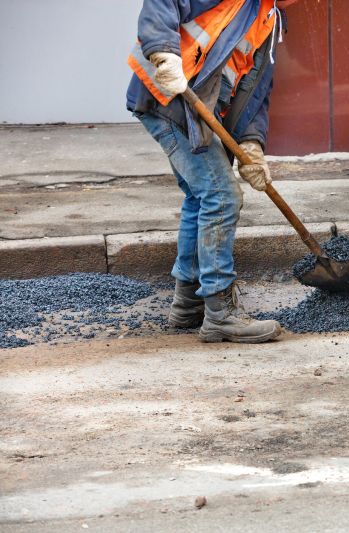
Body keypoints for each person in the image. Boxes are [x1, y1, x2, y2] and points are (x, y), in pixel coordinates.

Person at [126, 0, 299, 343]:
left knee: (200, 196)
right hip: (168, 98)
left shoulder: (269, 19)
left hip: (198, 110)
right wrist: (164, 53)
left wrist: (252, 146)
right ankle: (221, 312)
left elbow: (254, 94)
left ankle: (188, 303)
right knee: (221, 196)